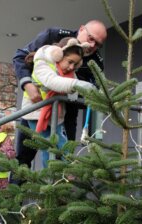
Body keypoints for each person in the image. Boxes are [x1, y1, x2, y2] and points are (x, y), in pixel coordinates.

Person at [13, 20, 107, 169]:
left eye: (98, 44)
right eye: (91, 39)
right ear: (81, 29)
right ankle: (16, 190)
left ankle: (57, 188)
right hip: (36, 106)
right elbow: (20, 57)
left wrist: (72, 94)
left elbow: (91, 94)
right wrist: (28, 85)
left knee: (61, 154)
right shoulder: (54, 35)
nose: (93, 45)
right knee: (23, 157)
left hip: (66, 114)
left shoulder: (96, 62)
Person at [22, 37, 95, 168]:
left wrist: (79, 92)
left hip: (57, 114)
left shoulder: (69, 72)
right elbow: (53, 82)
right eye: (70, 62)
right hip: (36, 113)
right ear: (59, 55)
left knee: (63, 143)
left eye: (75, 64)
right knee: (47, 146)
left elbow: (72, 93)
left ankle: (68, 170)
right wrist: (79, 85)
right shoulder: (43, 64)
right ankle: (49, 177)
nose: (71, 67)